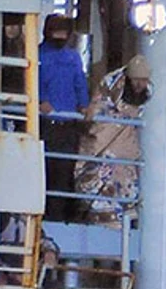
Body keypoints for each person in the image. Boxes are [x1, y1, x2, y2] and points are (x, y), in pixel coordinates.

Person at [75, 54, 153, 221]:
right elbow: (97, 111)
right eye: (136, 80)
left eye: (144, 80)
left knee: (127, 185)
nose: (140, 85)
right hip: (106, 141)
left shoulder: (149, 92)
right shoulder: (110, 83)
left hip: (128, 148)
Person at [37, 14, 90, 221]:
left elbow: (80, 83)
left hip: (68, 124)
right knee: (44, 172)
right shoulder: (38, 55)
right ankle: (43, 216)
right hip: (45, 124)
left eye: (64, 33)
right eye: (56, 32)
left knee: (64, 173)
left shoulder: (73, 57)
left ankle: (58, 217)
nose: (60, 36)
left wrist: (84, 105)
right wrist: (41, 100)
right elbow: (32, 81)